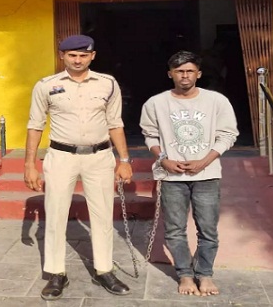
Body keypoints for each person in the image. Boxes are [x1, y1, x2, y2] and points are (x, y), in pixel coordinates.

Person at [24, 34, 133, 301]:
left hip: (100, 156)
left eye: (83, 55)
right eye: (72, 55)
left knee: (102, 214)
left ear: (92, 56)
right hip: (61, 156)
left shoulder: (108, 83)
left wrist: (124, 160)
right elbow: (35, 125)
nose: (77, 60)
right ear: (62, 56)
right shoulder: (46, 86)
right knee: (55, 214)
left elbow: (115, 123)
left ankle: (104, 270)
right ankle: (55, 273)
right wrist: (29, 164)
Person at [140, 50, 239, 296]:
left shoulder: (216, 101)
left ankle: (204, 274)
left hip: (207, 175)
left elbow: (228, 135)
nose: (185, 76)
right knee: (175, 229)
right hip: (171, 176)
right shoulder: (155, 103)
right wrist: (163, 160)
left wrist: (205, 161)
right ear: (170, 74)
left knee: (208, 230)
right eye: (179, 71)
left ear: (199, 74)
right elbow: (150, 135)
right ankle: (185, 274)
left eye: (190, 71)